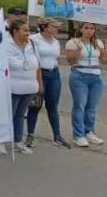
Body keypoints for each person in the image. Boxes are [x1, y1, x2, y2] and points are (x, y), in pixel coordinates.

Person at [0, 19, 41, 156]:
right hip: (12, 87)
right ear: (15, 31)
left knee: (20, 115)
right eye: (24, 30)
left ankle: (17, 141)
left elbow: (37, 65)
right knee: (8, 115)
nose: (28, 33)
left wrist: (39, 84)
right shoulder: (5, 45)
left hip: (30, 86)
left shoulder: (31, 44)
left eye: (28, 30)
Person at [66, 21, 107, 147]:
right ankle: (78, 135)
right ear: (81, 29)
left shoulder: (98, 43)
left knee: (91, 107)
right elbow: (71, 61)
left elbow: (105, 60)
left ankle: (89, 132)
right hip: (79, 75)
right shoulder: (73, 42)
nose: (89, 31)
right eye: (86, 28)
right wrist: (78, 50)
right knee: (80, 106)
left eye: (91, 28)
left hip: (96, 76)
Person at [27, 18, 71, 149]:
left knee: (53, 106)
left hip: (54, 74)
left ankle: (57, 136)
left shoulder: (55, 41)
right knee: (35, 105)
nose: (57, 28)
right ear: (45, 26)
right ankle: (30, 135)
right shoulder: (33, 39)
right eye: (54, 26)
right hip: (39, 74)